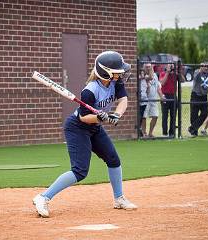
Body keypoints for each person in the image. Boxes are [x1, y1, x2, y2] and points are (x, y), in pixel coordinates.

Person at [32, 51, 137, 218]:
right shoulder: (90, 91)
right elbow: (83, 117)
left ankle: (119, 199)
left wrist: (116, 115)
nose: (121, 74)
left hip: (94, 127)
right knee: (80, 171)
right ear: (106, 72)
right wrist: (99, 117)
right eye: (118, 71)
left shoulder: (115, 82)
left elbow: (123, 100)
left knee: (113, 159)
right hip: (77, 128)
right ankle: (43, 197)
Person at [188, 62, 208, 136]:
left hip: (204, 96)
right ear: (201, 66)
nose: (206, 68)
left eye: (207, 66)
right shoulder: (197, 71)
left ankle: (192, 128)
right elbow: (195, 77)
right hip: (195, 95)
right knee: (194, 115)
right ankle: (194, 132)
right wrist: (200, 70)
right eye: (204, 66)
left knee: (205, 113)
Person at [143, 65, 165, 138]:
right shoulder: (143, 75)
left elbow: (158, 87)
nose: (148, 68)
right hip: (145, 99)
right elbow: (149, 78)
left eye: (150, 66)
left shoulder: (155, 75)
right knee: (144, 117)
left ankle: (150, 133)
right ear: (144, 68)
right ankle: (144, 133)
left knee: (155, 116)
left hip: (154, 99)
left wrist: (161, 96)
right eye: (147, 67)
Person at [159, 63, 176, 137]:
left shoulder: (175, 75)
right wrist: (167, 73)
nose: (171, 67)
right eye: (169, 66)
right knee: (165, 116)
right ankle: (164, 133)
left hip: (173, 95)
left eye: (172, 66)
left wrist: (178, 72)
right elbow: (162, 83)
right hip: (165, 95)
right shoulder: (163, 73)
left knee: (173, 115)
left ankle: (172, 133)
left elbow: (183, 80)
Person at [139, 68, 150, 137]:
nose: (143, 75)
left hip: (145, 100)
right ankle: (139, 129)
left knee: (142, 115)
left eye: (143, 73)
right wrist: (143, 77)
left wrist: (148, 86)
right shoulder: (139, 80)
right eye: (141, 73)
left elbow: (147, 91)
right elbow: (140, 77)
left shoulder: (145, 81)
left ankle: (140, 129)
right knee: (139, 115)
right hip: (139, 100)